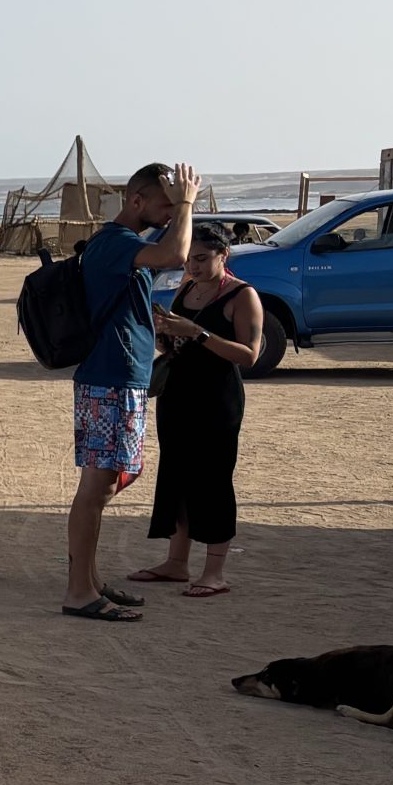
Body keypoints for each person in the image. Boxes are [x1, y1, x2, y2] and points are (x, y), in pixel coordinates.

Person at [63, 161, 199, 622]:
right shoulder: (115, 243)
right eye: (165, 205)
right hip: (110, 378)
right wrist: (187, 204)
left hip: (121, 377)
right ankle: (79, 591)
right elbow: (176, 256)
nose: (171, 213)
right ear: (137, 201)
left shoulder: (127, 245)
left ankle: (89, 579)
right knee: (96, 488)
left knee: (115, 477)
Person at [131, 224, 260, 597]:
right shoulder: (188, 288)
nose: (194, 267)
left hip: (217, 399)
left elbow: (249, 355)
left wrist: (197, 332)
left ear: (224, 254)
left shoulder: (243, 295)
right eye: (188, 260)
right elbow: (177, 345)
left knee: (213, 480)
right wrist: (163, 332)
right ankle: (177, 562)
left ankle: (214, 572)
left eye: (202, 259)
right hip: (178, 394)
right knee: (177, 476)